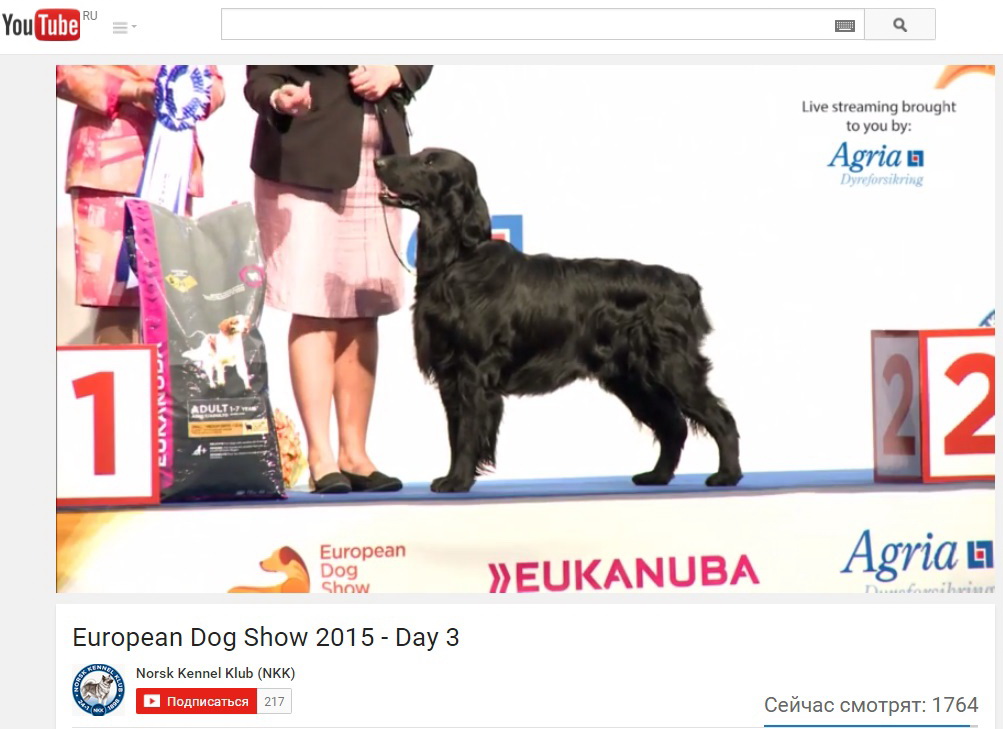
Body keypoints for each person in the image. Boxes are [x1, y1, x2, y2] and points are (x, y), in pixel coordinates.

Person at [245, 65, 432, 495]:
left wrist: (397, 71)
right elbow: (260, 77)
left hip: (380, 162)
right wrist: (279, 98)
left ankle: (355, 454)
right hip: (305, 156)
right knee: (315, 306)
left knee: (364, 306)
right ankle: (320, 456)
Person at [57, 65, 226, 344]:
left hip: (175, 168)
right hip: (107, 168)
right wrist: (133, 91)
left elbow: (213, 81)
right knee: (118, 302)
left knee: (171, 299)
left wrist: (188, 94)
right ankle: (118, 374)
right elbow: (61, 69)